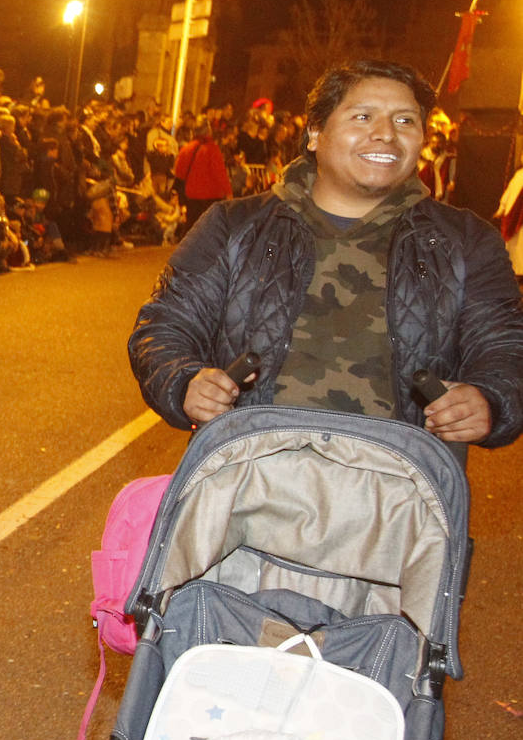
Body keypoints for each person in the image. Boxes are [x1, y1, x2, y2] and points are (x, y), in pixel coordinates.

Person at [129, 59, 523, 451]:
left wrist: (490, 398)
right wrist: (183, 381)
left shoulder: (468, 241)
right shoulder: (233, 226)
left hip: (401, 494)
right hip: (247, 480)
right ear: (315, 132)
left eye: (405, 121)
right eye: (363, 116)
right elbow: (165, 325)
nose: (386, 134)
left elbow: (505, 346)